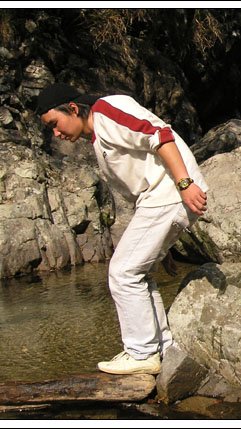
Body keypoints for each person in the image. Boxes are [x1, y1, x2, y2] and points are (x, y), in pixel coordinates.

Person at [37, 83, 208, 374]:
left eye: (55, 123)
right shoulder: (99, 135)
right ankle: (162, 348)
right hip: (160, 201)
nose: (56, 133)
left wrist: (184, 184)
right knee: (138, 273)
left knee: (123, 273)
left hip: (170, 194)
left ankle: (141, 353)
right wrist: (161, 247)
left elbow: (159, 134)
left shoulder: (107, 111)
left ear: (73, 108)